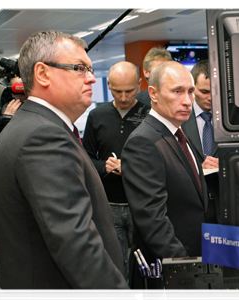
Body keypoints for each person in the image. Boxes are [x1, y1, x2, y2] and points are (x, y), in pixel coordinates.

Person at [0, 30, 136, 300]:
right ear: (43, 74)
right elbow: (76, 245)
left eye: (90, 69)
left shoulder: (31, 126)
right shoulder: (43, 137)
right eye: (80, 68)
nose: (92, 77)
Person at [122, 61, 210, 292]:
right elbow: (153, 220)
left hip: (195, 261)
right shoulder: (144, 142)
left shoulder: (178, 132)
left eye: (190, 91)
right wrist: (186, 267)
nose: (187, 100)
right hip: (168, 271)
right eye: (177, 91)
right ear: (153, 93)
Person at [82, 61, 150, 280]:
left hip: (140, 203)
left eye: (129, 91)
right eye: (117, 91)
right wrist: (105, 166)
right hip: (107, 205)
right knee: (113, 266)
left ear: (140, 84)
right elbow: (86, 159)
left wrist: (129, 167)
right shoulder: (97, 116)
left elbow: (160, 161)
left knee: (143, 265)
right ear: (108, 85)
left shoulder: (150, 114)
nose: (123, 97)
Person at [182, 60, 220, 223]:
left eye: (214, 91)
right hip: (191, 205)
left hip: (223, 203)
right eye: (204, 91)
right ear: (192, 89)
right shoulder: (179, 119)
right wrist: (198, 169)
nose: (210, 97)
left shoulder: (232, 120)